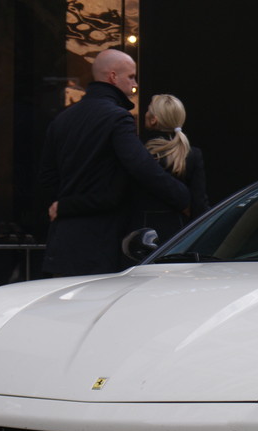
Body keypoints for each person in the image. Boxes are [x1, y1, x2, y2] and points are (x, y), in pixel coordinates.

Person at [39, 49, 189, 277]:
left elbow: (47, 178)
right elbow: (140, 166)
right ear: (112, 77)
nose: (134, 83)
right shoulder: (117, 118)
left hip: (62, 240)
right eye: (130, 76)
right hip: (101, 240)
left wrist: (63, 206)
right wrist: (181, 196)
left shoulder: (62, 119)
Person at [141, 93, 209, 236]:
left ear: (154, 120)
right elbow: (199, 204)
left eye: (148, 110)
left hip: (145, 233)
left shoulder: (141, 154)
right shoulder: (192, 154)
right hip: (179, 235)